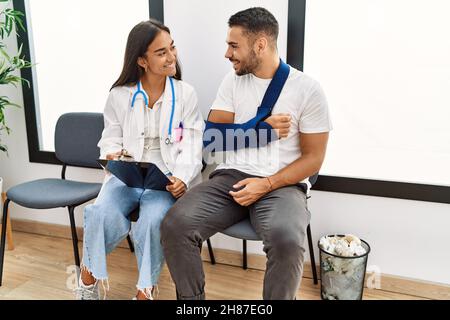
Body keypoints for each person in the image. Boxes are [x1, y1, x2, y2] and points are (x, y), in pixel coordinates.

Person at [161, 7, 332, 300]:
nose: (227, 54)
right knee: (175, 224)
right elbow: (213, 138)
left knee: (287, 239)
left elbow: (313, 159)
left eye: (234, 45)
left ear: (261, 44)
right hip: (232, 178)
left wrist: (266, 184)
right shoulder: (232, 82)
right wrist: (259, 128)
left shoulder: (308, 90)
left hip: (282, 184)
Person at [74, 19, 204, 300]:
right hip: (127, 175)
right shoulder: (120, 96)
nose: (171, 57)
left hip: (165, 178)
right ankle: (87, 280)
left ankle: (145, 291)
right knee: (99, 213)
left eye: (172, 48)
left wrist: (182, 177)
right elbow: (110, 137)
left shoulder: (185, 95)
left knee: (153, 220)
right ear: (142, 60)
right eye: (161, 52)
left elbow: (192, 142)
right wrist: (112, 153)